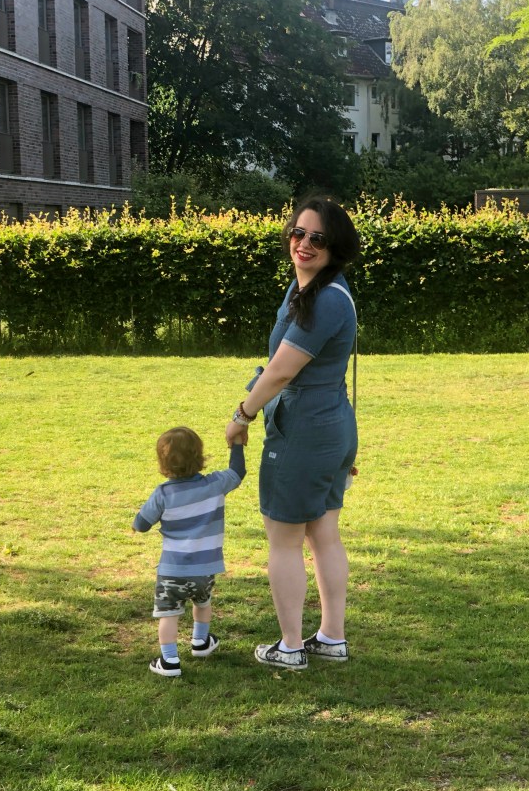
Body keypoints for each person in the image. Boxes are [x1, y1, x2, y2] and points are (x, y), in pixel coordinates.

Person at [225, 195, 361, 671]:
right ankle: (331, 638)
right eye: (297, 233)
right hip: (332, 428)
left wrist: (241, 415)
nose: (303, 244)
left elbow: (282, 372)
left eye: (317, 238)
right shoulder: (310, 289)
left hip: (306, 433)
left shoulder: (325, 300)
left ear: (335, 247)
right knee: (323, 532)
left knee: (284, 539)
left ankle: (290, 647)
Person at [133, 426, 246, 677]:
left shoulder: (162, 494)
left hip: (171, 571)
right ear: (199, 456)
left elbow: (141, 525)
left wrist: (139, 521)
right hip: (205, 570)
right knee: (203, 602)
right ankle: (200, 641)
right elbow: (238, 472)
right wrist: (236, 444)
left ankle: (170, 661)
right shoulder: (215, 484)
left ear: (163, 462)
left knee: (169, 614)